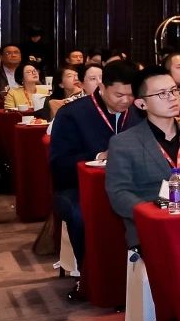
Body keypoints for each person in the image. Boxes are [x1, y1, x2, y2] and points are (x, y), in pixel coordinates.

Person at [47, 60, 141, 293]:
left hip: (131, 186)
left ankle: (140, 281)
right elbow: (59, 163)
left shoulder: (139, 112)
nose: (125, 101)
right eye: (119, 95)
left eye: (131, 95)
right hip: (77, 188)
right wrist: (99, 155)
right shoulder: (72, 114)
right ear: (102, 87)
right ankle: (89, 277)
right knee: (80, 215)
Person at [105, 67, 180, 248]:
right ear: (141, 104)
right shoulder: (123, 143)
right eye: (162, 94)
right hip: (151, 227)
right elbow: (119, 194)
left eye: (174, 90)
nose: (172, 97)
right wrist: (153, 214)